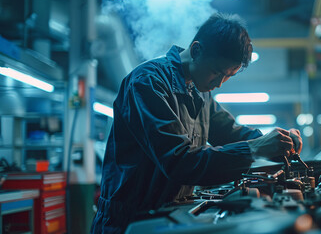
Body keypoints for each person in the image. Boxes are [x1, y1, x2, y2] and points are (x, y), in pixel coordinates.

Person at [91, 13, 302, 233]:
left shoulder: (201, 92)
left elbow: (233, 133)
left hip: (170, 216)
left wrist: (279, 142)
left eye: (229, 75)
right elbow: (179, 161)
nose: (219, 84)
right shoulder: (147, 83)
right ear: (196, 50)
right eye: (217, 72)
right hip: (128, 222)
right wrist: (256, 149)